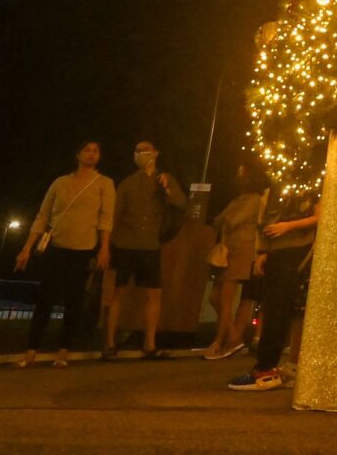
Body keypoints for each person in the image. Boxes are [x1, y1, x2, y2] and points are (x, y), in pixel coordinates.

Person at [15, 141, 115, 368]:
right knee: (45, 300)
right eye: (87, 150)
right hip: (56, 247)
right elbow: (43, 216)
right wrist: (27, 247)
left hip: (83, 249)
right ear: (78, 154)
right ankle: (31, 352)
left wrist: (104, 248)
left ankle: (63, 352)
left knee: (74, 301)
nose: (91, 154)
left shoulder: (105, 184)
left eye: (96, 150)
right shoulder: (60, 182)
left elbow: (106, 219)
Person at [227, 186, 320, 393]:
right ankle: (268, 367)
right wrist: (264, 251)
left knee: (280, 307)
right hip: (279, 248)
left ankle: (266, 370)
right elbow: (266, 219)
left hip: (297, 249)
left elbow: (321, 215)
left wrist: (288, 227)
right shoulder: (279, 186)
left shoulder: (311, 182)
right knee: (275, 307)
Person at [102, 139, 187, 360]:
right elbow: (115, 216)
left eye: (145, 151)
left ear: (155, 153)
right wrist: (106, 247)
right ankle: (109, 342)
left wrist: (167, 187)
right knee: (117, 292)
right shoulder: (127, 184)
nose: (140, 154)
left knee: (154, 294)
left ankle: (150, 343)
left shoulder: (164, 180)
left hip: (150, 245)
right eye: (137, 151)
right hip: (124, 244)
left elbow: (181, 204)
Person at [200, 159, 268, 362]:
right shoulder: (241, 198)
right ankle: (233, 336)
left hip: (242, 248)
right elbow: (219, 219)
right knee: (216, 297)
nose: (238, 176)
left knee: (226, 297)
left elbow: (228, 219)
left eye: (242, 171)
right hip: (230, 248)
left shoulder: (254, 199)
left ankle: (220, 341)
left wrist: (225, 219)